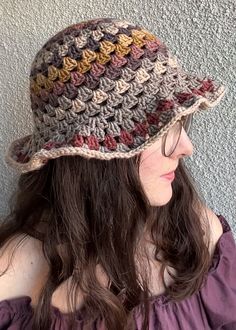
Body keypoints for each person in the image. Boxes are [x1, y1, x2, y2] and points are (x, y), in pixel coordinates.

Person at [0, 17, 235, 330]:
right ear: (98, 155)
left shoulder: (195, 234)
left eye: (181, 123)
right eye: (163, 128)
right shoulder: (12, 277)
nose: (186, 147)